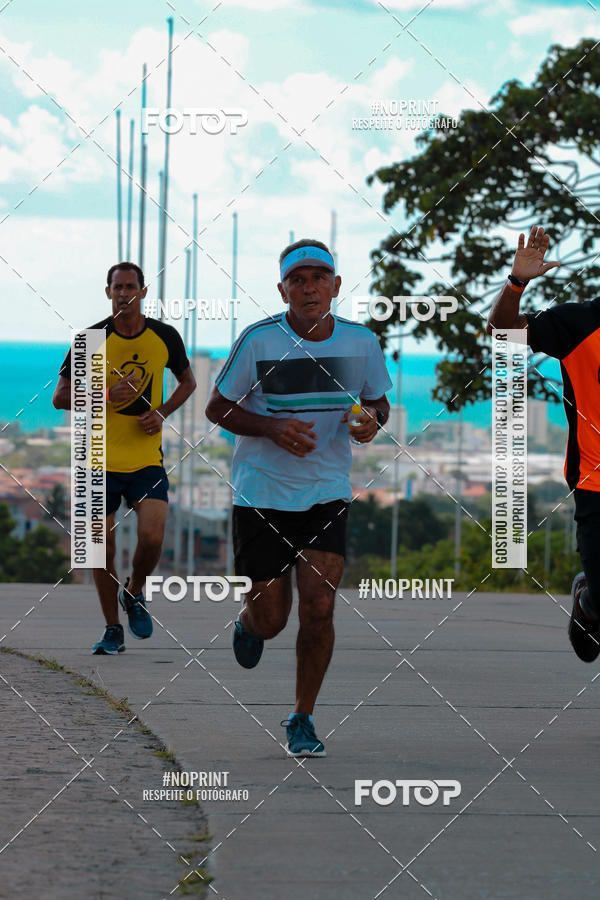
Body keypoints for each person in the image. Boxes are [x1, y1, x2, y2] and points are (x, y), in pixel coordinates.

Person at [205, 238, 392, 756]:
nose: (309, 288)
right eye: (298, 280)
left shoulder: (361, 342)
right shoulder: (259, 340)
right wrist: (270, 427)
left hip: (327, 493)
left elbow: (378, 402)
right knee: (272, 619)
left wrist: (370, 423)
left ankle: (302, 717)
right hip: (261, 495)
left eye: (319, 278)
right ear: (282, 289)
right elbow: (217, 407)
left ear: (336, 285)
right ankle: (248, 624)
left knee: (320, 605)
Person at [53, 262, 196, 654]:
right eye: (117, 287)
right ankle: (112, 629)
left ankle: (133, 593)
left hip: (145, 458)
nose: (124, 293)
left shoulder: (164, 336)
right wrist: (103, 395)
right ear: (108, 292)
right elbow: (59, 398)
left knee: (152, 536)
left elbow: (189, 382)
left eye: (131, 286)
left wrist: (163, 412)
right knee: (100, 549)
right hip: (96, 458)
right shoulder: (90, 339)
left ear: (143, 291)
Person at [486, 224, 600, 662]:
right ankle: (589, 600)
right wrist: (516, 284)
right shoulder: (580, 323)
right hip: (595, 486)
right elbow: (503, 330)